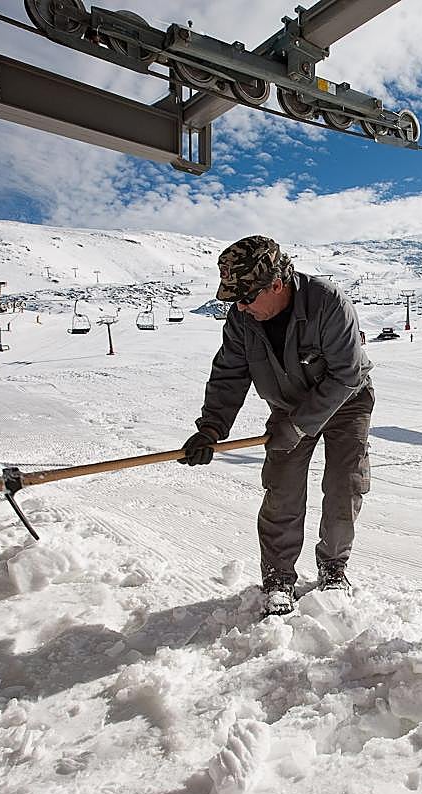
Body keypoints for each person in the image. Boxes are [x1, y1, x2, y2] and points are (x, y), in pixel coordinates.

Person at [180, 236, 374, 616]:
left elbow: (346, 374)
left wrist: (300, 426)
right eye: (234, 300)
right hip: (289, 406)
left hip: (347, 401)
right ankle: (278, 578)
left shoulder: (327, 303)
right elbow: (229, 376)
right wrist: (210, 430)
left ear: (276, 284)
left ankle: (333, 567)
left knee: (344, 484)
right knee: (282, 490)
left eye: (246, 297)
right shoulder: (242, 319)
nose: (240, 307)